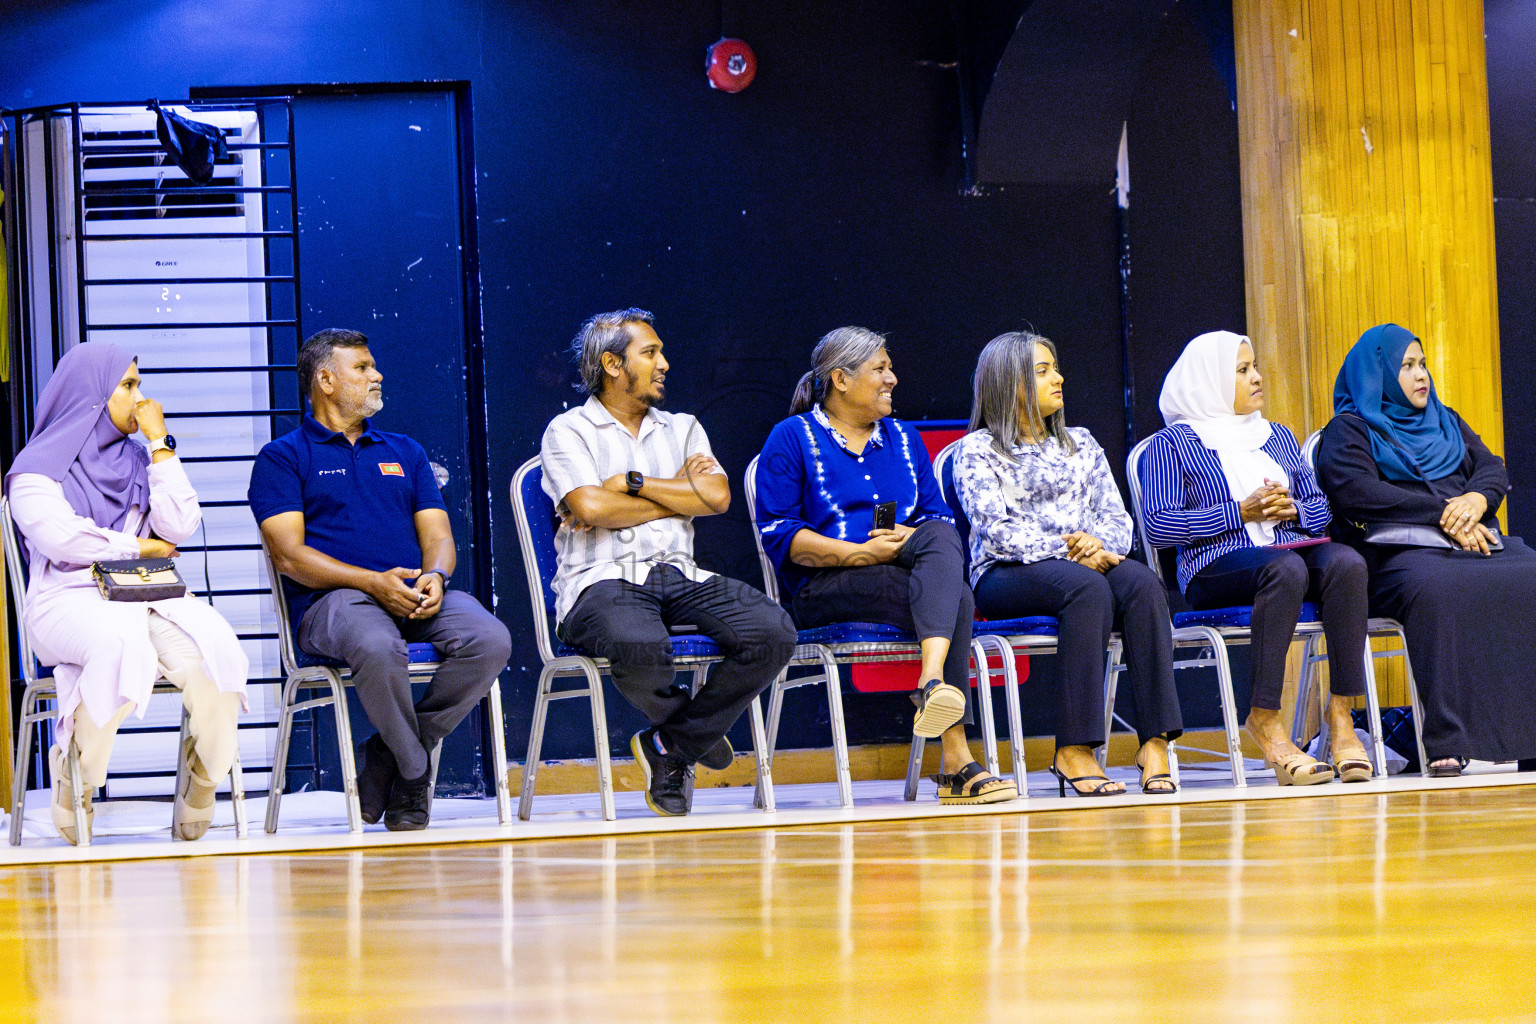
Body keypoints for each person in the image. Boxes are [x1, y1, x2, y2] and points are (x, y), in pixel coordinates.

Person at [249, 328, 512, 831]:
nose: (377, 375)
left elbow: (438, 536)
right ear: (325, 380)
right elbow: (289, 556)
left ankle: (389, 754)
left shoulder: (404, 450)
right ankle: (415, 771)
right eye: (363, 368)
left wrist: (436, 575)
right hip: (333, 606)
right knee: (376, 643)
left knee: (490, 638)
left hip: (413, 592)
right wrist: (373, 583)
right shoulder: (283, 457)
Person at [540, 309, 797, 817]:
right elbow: (591, 508)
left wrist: (630, 484)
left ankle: (672, 745)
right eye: (650, 353)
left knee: (773, 631)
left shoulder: (684, 428)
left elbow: (718, 496)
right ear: (613, 364)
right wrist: (679, 495)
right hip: (600, 576)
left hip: (680, 571)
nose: (665, 364)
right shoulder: (568, 430)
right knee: (640, 643)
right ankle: (690, 735)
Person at [754, 326, 1018, 805]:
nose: (892, 379)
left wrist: (906, 538)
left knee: (939, 534)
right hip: (824, 585)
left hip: (901, 568)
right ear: (840, 379)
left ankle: (932, 681)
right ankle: (956, 755)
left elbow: (936, 518)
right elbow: (781, 536)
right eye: (880, 369)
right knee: (955, 597)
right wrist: (859, 553)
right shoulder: (791, 437)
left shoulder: (904, 438)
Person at [6, 343, 248, 845]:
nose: (141, 398)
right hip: (65, 600)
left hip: (145, 595)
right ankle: (78, 772)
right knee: (118, 648)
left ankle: (203, 772)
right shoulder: (34, 472)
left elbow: (181, 524)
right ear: (92, 397)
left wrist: (161, 446)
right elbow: (61, 539)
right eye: (129, 386)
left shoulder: (142, 461)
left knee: (216, 651)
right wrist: (138, 545)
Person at [952, 331, 1183, 796]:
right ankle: (1074, 748)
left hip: (1084, 564)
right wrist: (1070, 549)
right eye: (1042, 372)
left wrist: (1098, 545)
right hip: (1005, 574)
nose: (1058, 379)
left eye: (1055, 367)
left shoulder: (1080, 443)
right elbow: (995, 529)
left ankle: (1155, 742)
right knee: (1087, 588)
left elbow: (1118, 518)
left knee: (1141, 583)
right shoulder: (977, 450)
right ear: (1009, 383)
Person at [1138, 330, 1372, 786]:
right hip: (1214, 565)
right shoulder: (1172, 444)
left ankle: (1342, 712)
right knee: (1281, 570)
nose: (1257, 378)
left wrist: (1295, 509)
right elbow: (1159, 526)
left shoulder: (1278, 436)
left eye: (1255, 367)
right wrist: (1237, 512)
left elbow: (1321, 509)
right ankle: (1265, 717)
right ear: (1210, 381)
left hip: (1287, 553)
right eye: (1242, 371)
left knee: (1347, 563)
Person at [1316, 323, 1536, 776]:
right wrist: (1443, 513)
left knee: (1529, 572)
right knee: (1437, 587)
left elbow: (1492, 468)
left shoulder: (1446, 420)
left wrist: (1475, 502)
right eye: (1407, 366)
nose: (1422, 377)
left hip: (1469, 541)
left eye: (1423, 365)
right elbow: (1357, 493)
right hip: (1396, 558)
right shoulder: (1348, 431)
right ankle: (1446, 741)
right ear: (1376, 374)